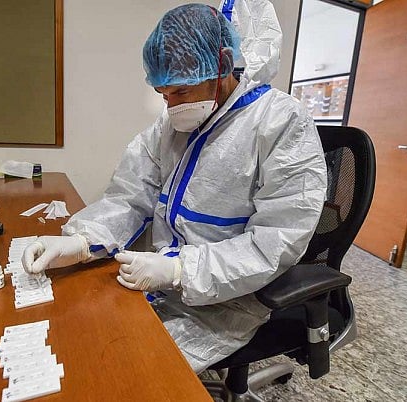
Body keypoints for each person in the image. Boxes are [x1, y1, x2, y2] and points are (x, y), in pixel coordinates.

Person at [22, 1, 327, 373]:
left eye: (181, 91)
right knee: (79, 339)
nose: (171, 106)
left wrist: (181, 270)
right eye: (163, 94)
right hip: (159, 282)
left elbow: (276, 241)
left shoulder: (281, 121)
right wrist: (83, 241)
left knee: (124, 373)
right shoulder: (170, 127)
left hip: (230, 300)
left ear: (223, 65)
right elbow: (130, 196)